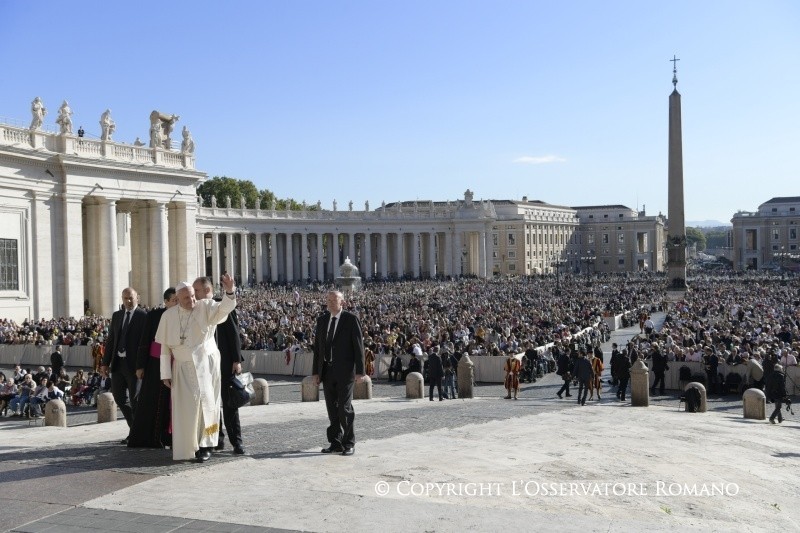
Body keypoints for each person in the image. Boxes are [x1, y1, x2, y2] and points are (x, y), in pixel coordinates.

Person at [155, 275, 237, 463]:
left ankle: (207, 445)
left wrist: (230, 292)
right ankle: (187, 445)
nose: (192, 300)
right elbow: (165, 348)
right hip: (182, 368)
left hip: (206, 364)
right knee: (186, 408)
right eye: (187, 298)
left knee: (208, 405)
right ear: (177, 299)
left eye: (193, 296)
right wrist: (165, 373)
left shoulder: (205, 306)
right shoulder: (168, 316)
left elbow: (225, 308)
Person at [192, 277, 245, 455]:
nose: (194, 294)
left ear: (207, 291)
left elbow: (233, 333)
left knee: (230, 406)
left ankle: (237, 442)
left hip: (225, 364)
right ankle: (216, 439)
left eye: (196, 291)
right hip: (205, 367)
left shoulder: (220, 306)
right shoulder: (195, 309)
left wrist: (236, 360)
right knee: (210, 406)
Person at [312, 290, 365, 456]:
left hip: (346, 371)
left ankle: (349, 442)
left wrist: (360, 371)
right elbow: (318, 349)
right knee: (332, 409)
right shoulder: (322, 320)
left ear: (342, 302)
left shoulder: (350, 319)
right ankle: (335, 442)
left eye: (334, 300)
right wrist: (316, 372)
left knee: (344, 407)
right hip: (327, 370)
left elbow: (358, 346)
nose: (330, 302)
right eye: (328, 300)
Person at [128, 288, 177, 448]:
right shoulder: (154, 315)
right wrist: (140, 366)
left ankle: (171, 437)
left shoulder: (185, 315)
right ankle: (152, 438)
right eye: (174, 300)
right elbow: (144, 341)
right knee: (154, 402)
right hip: (155, 364)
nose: (178, 303)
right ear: (166, 301)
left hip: (177, 363)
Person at [102, 287, 147, 445]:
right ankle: (135, 429)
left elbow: (145, 344)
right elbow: (111, 340)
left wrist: (141, 366)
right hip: (118, 364)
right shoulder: (117, 315)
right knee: (119, 398)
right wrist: (105, 363)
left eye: (131, 298)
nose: (128, 301)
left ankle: (137, 433)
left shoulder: (143, 316)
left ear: (137, 298)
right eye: (125, 298)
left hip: (135, 366)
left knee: (135, 400)